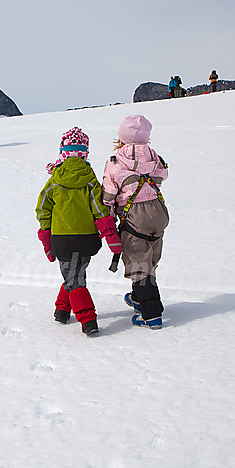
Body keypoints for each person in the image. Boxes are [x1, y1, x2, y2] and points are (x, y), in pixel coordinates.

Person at [35, 127, 122, 337]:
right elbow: (100, 210)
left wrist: (46, 237)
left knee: (74, 279)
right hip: (86, 240)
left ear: (62, 153)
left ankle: (87, 319)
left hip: (62, 240)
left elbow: (43, 210)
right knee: (74, 274)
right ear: (85, 154)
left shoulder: (54, 181)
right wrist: (110, 234)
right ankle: (62, 310)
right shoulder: (91, 182)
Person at [101, 114, 169, 329]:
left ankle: (151, 314)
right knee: (150, 256)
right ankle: (139, 296)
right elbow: (163, 174)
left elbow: (108, 194)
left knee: (139, 263)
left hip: (135, 215)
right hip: (158, 211)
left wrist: (109, 216)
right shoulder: (154, 156)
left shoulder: (115, 161)